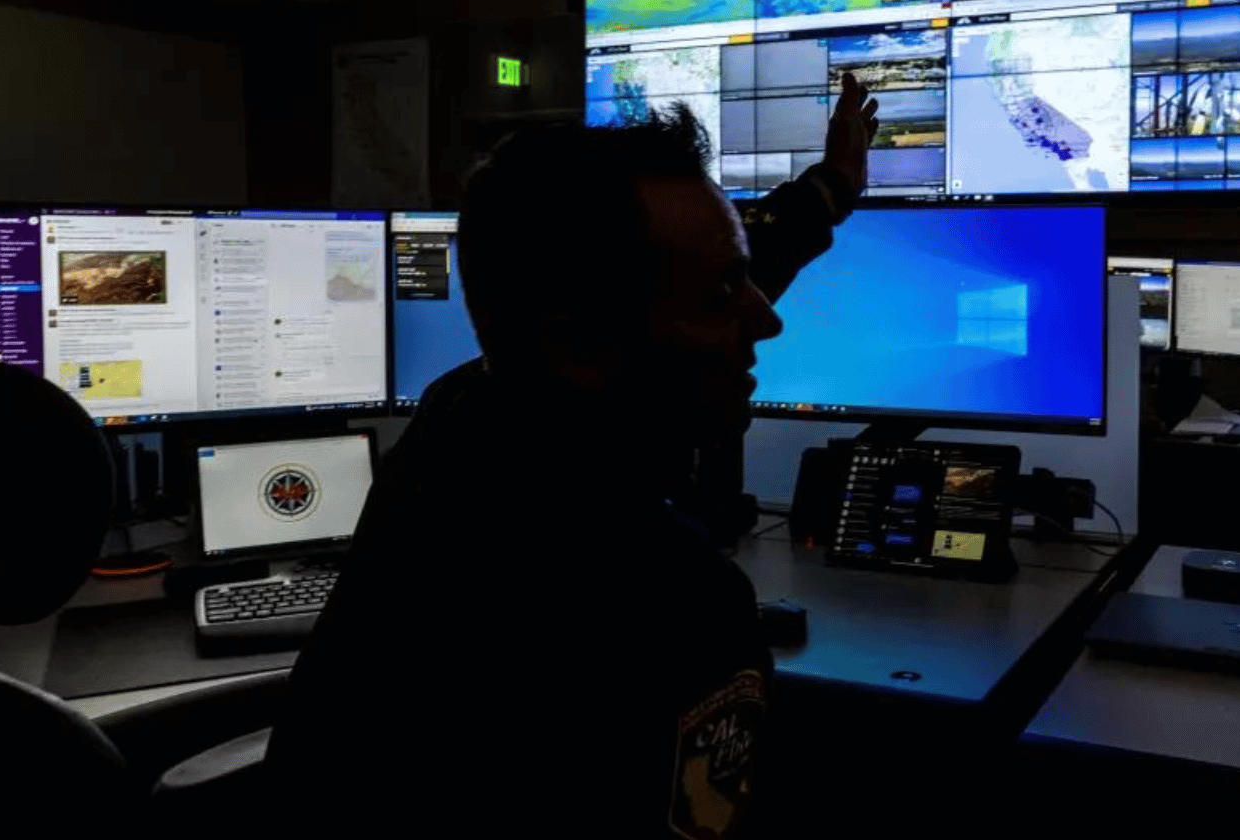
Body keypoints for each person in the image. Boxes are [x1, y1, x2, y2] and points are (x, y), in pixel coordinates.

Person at [266, 74, 881, 836]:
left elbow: (668, 297)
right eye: (725, 293)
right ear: (575, 336)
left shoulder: (457, 418)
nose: (765, 319)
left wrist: (829, 191)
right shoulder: (667, 601)